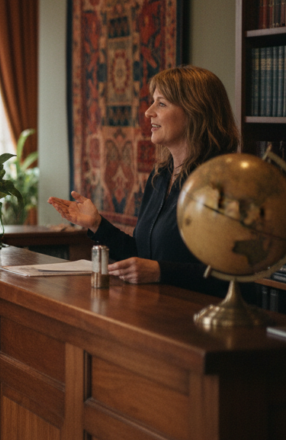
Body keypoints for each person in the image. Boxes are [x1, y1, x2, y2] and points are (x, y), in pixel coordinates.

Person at [48, 65, 239, 297]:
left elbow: (237, 278)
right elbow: (143, 257)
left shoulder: (223, 181)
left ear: (195, 111)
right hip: (152, 310)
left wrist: (161, 272)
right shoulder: (160, 177)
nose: (148, 112)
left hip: (201, 319)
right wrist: (97, 224)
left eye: (161, 103)